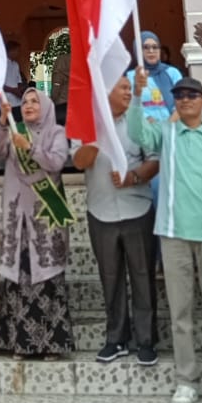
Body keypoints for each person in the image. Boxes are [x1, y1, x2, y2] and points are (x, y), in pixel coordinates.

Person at [128, 72, 202, 403]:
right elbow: (137, 133)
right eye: (180, 95)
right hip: (174, 232)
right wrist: (137, 96)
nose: (186, 99)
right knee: (180, 313)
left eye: (192, 94)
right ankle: (186, 380)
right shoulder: (168, 134)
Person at [71, 74, 158, 365]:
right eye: (121, 87)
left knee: (143, 276)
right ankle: (116, 338)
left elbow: (154, 160)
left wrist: (133, 177)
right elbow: (79, 162)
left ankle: (146, 341)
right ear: (105, 93)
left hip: (138, 209)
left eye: (127, 88)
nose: (127, 92)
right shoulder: (86, 124)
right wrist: (97, 134)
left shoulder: (138, 119)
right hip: (101, 211)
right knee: (111, 279)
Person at [0, 87, 74, 358]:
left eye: (34, 101)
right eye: (25, 101)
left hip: (45, 216)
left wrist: (32, 148)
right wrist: (3, 123)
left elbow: (57, 161)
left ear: (46, 106)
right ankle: (19, 343)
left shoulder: (56, 132)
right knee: (19, 277)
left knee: (47, 278)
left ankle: (52, 344)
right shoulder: (14, 132)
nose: (28, 105)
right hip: (18, 218)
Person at [135, 31, 179, 125]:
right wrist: (150, 123)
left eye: (155, 47)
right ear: (137, 51)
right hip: (145, 130)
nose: (151, 51)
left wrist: (169, 125)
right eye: (146, 47)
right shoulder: (133, 76)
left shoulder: (172, 72)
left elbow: (182, 100)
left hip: (174, 127)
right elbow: (131, 105)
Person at [3, 39, 27, 103]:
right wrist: (13, 90)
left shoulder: (16, 65)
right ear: (11, 51)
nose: (18, 53)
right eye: (17, 51)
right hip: (5, 100)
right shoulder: (2, 63)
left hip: (17, 101)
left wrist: (21, 89)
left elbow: (19, 81)